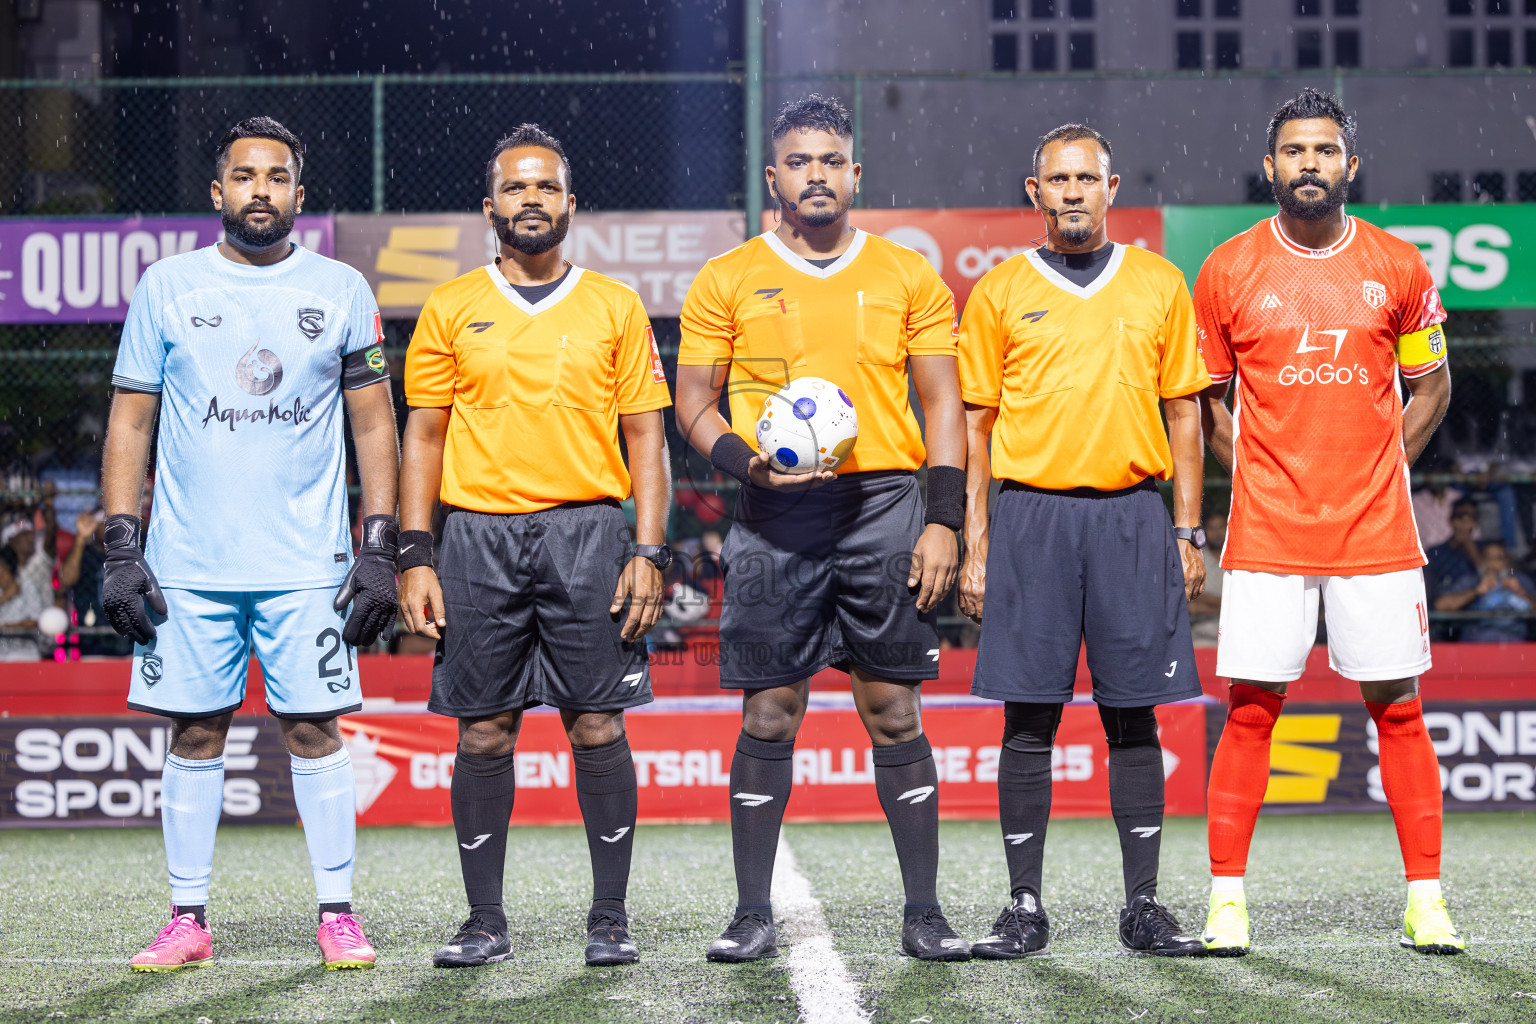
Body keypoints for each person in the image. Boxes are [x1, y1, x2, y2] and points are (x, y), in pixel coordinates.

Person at [675, 94, 970, 962]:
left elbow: (943, 400)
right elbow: (692, 404)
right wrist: (744, 462)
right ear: (774, 177)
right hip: (775, 510)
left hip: (884, 505)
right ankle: (751, 914)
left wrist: (944, 520)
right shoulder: (726, 277)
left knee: (892, 707)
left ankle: (924, 914)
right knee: (770, 709)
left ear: (854, 174)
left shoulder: (906, 274)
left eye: (831, 161)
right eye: (799, 162)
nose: (816, 175)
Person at [102, 116, 400, 971]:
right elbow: (132, 418)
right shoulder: (167, 285)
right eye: (244, 176)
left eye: (276, 177)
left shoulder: (342, 287)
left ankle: (337, 913)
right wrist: (124, 544)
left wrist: (377, 543)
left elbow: (374, 422)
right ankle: (187, 919)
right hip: (189, 566)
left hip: (307, 566)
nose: (259, 190)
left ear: (299, 196)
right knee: (194, 735)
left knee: (314, 728)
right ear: (217, 192)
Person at [397, 124, 672, 969]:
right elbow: (425, 436)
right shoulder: (449, 306)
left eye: (545, 187)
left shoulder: (615, 305)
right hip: (476, 538)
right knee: (484, 732)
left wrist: (649, 551)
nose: (531, 200)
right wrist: (415, 552)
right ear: (490, 207)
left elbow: (647, 439)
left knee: (596, 725)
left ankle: (610, 917)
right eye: (515, 189)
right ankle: (485, 922)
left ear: (570, 205)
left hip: (589, 533)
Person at [1193, 89, 1460, 956]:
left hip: (1376, 531)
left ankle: (1427, 899)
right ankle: (1226, 902)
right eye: (1294, 152)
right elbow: (1206, 404)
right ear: (1269, 168)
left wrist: (1382, 469)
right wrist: (1264, 476)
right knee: (1250, 711)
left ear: (1351, 165)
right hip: (1268, 530)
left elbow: (1432, 388)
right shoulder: (1228, 269)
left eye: (1326, 151)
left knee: (1400, 711)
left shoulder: (1401, 265)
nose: (1311, 163)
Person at [957, 123, 1209, 959]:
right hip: (1031, 517)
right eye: (1055, 179)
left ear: (1112, 187)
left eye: (1085, 178)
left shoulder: (1159, 283)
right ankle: (1024, 906)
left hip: (1135, 515)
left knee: (1133, 717)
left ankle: (1143, 907)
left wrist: (1186, 526)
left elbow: (1185, 414)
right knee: (1029, 719)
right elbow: (978, 424)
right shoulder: (996, 291)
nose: (1071, 192)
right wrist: (977, 540)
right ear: (1034, 193)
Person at [1434, 541, 1535, 644]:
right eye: (1488, 558)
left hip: (1514, 645)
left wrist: (1521, 592)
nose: (1492, 563)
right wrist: (1476, 592)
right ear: (1482, 560)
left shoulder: (1520, 581)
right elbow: (1440, 605)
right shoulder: (1471, 581)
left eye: (1498, 559)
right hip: (1475, 645)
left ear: (1506, 562)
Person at [1424, 499, 1482, 607]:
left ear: (1475, 523)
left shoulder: (1485, 550)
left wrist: (1471, 550)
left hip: (1477, 611)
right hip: (1443, 611)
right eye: (1460, 518)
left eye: (1470, 518)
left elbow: (1489, 578)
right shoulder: (1435, 552)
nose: (1464, 523)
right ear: (1452, 520)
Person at [1189, 511, 1228, 647]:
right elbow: (1190, 603)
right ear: (1203, 531)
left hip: (1234, 635)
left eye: (1221, 527)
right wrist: (1226, 604)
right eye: (1211, 528)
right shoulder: (1195, 560)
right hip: (1201, 635)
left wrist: (1208, 601)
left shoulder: (1238, 561)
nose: (1217, 533)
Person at [0, 545, 43, 661]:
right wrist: (4, 597)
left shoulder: (27, 586)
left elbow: (35, 622)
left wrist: (6, 628)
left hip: (24, 651)